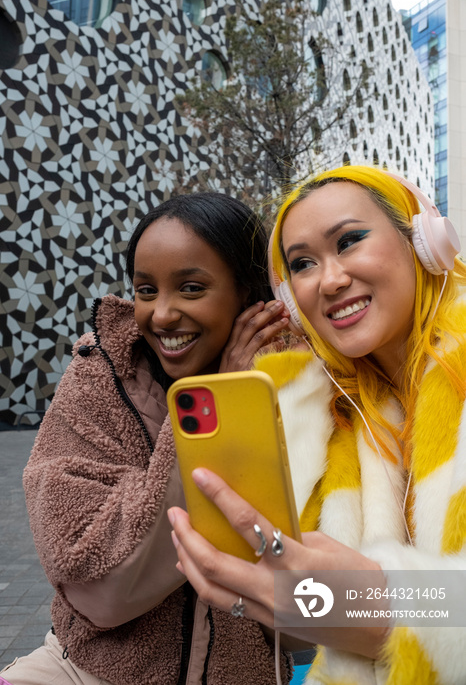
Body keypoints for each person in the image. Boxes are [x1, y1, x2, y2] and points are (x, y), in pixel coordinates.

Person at [168, 165, 466, 685]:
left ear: (424, 242)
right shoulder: (346, 413)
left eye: (350, 241)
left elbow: (369, 610)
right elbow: (315, 620)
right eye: (303, 263)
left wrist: (376, 608)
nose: (329, 280)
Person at [1, 192, 294, 685]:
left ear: (247, 295)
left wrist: (241, 395)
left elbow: (326, 600)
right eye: (145, 289)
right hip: (84, 670)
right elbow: (99, 589)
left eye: (191, 288)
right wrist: (210, 404)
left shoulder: (298, 385)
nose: (161, 314)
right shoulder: (98, 378)